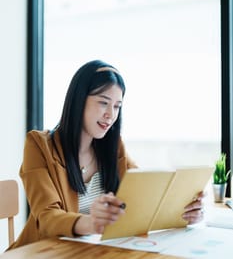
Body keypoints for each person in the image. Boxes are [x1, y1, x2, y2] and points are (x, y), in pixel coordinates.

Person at [9, 59, 204, 249]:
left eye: (117, 106)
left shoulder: (113, 147)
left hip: (89, 251)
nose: (111, 114)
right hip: (42, 252)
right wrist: (92, 223)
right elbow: (47, 217)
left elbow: (145, 198)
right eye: (103, 103)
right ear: (79, 101)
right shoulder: (39, 145)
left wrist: (184, 212)